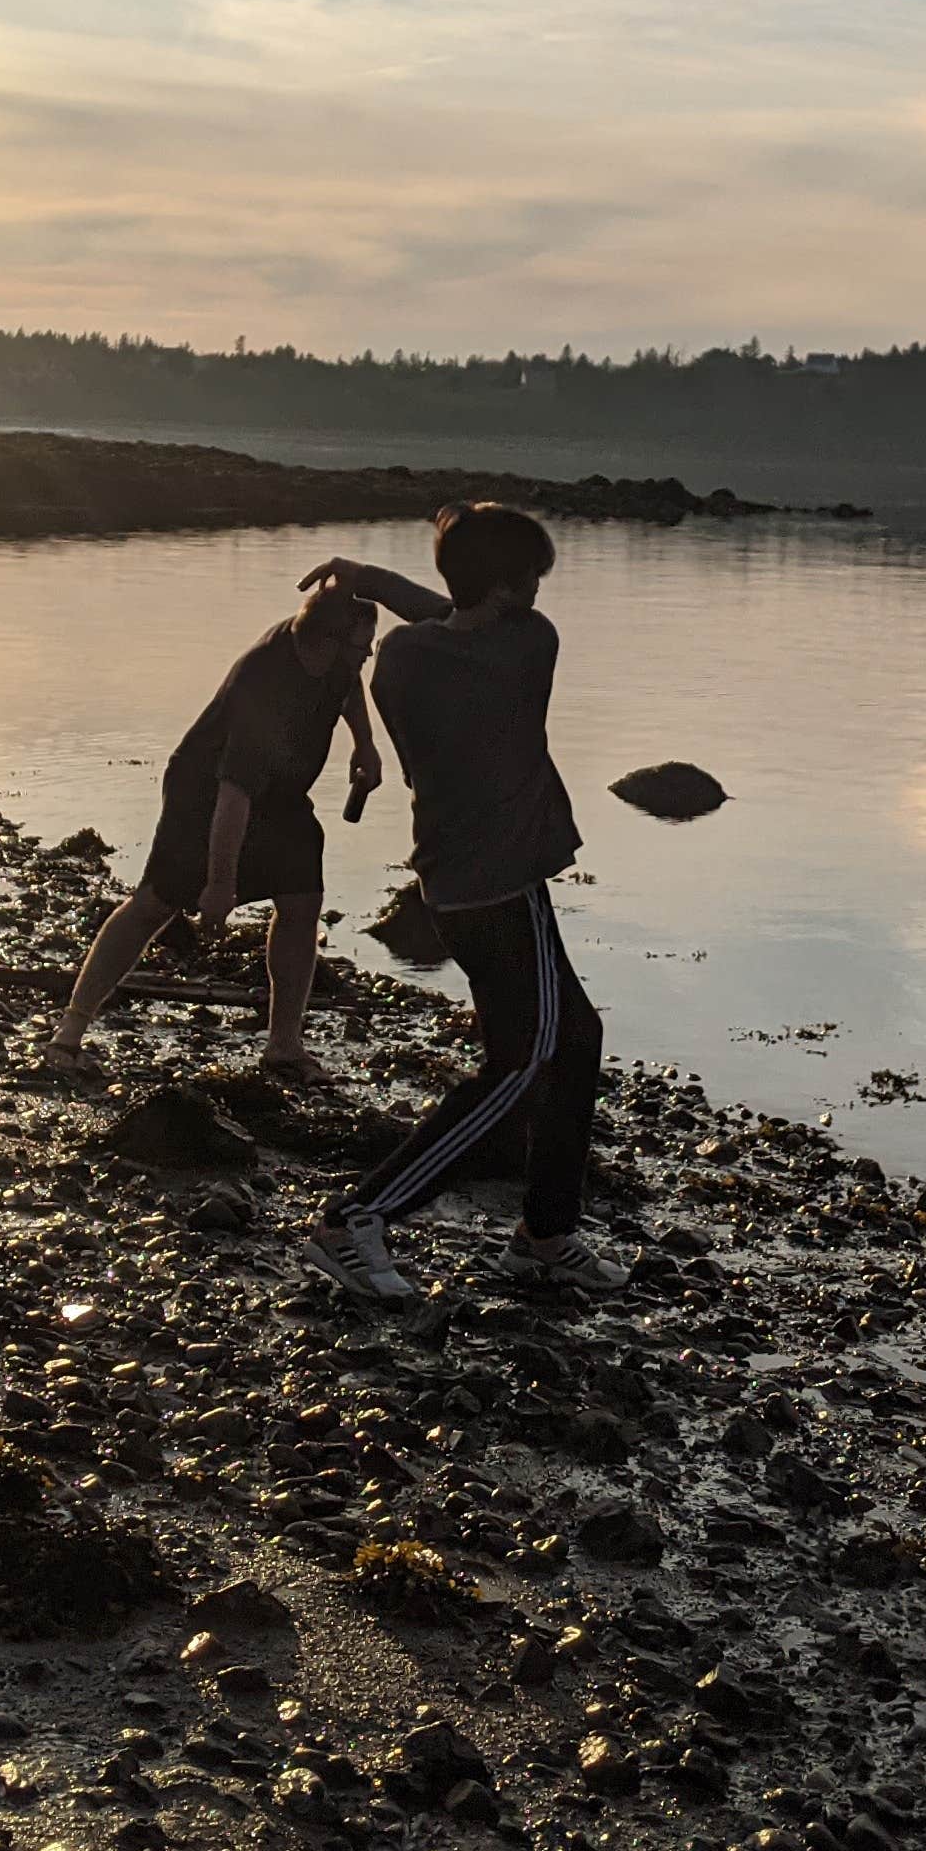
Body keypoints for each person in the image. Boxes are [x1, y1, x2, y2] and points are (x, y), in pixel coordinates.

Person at [290, 502, 628, 1304]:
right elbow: (461, 614)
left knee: (574, 1040)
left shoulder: (400, 662)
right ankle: (355, 1218)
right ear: (514, 594)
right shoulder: (530, 647)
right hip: (500, 888)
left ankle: (545, 1235)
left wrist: (372, 579)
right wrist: (386, 579)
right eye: (534, 583)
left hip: (454, 883)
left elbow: (447, 615)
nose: (542, 598)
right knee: (528, 1060)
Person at [44, 581, 383, 1079]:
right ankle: (70, 1032)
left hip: (281, 793)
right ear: (327, 641)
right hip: (205, 794)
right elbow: (233, 796)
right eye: (362, 648)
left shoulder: (333, 661)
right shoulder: (265, 681)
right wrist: (220, 883)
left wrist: (365, 743)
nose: (367, 657)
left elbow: (348, 687)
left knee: (302, 900)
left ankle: (284, 1045)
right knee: (155, 903)